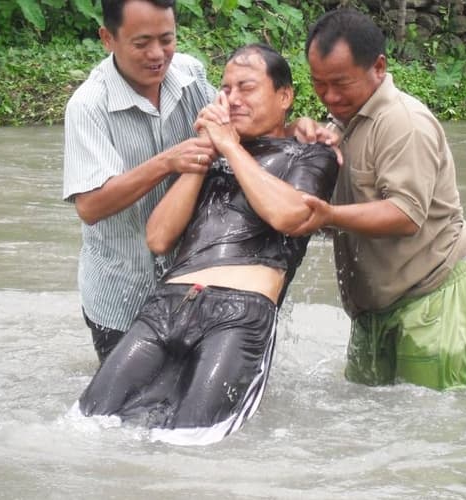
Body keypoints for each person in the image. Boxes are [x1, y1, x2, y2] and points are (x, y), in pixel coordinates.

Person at [78, 44, 338, 445]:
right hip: (166, 305)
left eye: (246, 88)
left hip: (239, 314)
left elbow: (290, 216)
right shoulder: (212, 155)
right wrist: (205, 152)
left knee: (195, 440)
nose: (233, 99)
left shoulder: (311, 153)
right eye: (226, 89)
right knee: (86, 421)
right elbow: (159, 238)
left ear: (284, 96)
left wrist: (230, 147)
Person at [292, 8, 466, 391]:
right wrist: (297, 137)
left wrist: (328, 215)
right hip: (374, 308)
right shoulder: (342, 124)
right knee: (368, 416)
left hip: (431, 295)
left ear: (378, 67)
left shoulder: (403, 123)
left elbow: (404, 215)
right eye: (318, 84)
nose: (329, 96)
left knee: (432, 423)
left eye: (341, 83)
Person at [63, 0, 218, 363]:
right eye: (141, 43)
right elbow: (90, 206)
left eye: (167, 39)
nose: (157, 54)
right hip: (121, 299)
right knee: (129, 413)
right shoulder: (89, 106)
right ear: (107, 38)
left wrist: (293, 131)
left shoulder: (191, 75)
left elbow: (233, 131)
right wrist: (167, 162)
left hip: (190, 288)